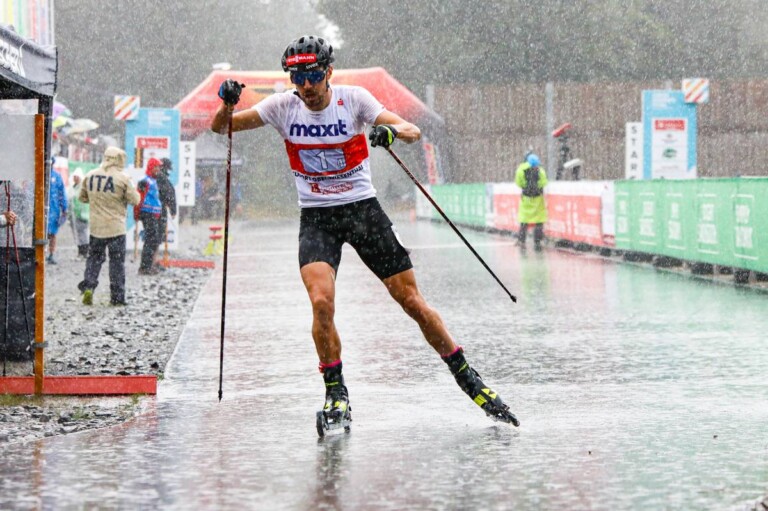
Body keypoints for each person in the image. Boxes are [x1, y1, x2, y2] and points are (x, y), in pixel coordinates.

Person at [211, 35, 519, 428]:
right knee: (321, 302)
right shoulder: (281, 107)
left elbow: (411, 130)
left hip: (362, 212)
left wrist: (390, 133)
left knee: (411, 301)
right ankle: (335, 392)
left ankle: (467, 376)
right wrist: (226, 103)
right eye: (298, 76)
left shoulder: (353, 99)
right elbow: (223, 129)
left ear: (329, 73)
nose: (306, 85)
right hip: (318, 217)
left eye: (314, 75)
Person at [77, 146, 140, 306]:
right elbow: (135, 200)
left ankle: (89, 286)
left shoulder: (90, 175)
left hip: (96, 228)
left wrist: (98, 201)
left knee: (94, 259)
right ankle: (117, 297)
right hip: (116, 228)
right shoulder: (123, 178)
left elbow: (82, 198)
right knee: (116, 263)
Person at [515, 153, 548, 250]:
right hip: (538, 198)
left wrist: (525, 186)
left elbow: (518, 182)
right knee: (539, 220)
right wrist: (537, 187)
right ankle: (537, 241)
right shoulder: (540, 170)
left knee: (524, 220)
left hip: (526, 198)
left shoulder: (521, 170)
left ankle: (521, 240)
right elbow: (543, 182)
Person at [136, 158, 163, 275]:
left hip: (153, 214)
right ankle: (145, 267)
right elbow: (139, 197)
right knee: (151, 239)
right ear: (151, 167)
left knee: (153, 239)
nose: (159, 170)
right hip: (147, 213)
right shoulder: (145, 181)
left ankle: (148, 265)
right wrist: (137, 213)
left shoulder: (153, 180)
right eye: (157, 167)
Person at [154, 158, 178, 269]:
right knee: (156, 237)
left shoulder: (154, 177)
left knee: (153, 237)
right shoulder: (162, 179)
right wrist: (173, 210)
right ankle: (153, 262)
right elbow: (170, 194)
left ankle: (152, 262)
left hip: (151, 210)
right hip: (159, 210)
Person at [46, 166, 68, 264]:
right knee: (39, 232)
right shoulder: (39, 174)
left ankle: (51, 254)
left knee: (52, 234)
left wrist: (64, 208)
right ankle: (39, 254)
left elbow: (62, 193)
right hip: (41, 208)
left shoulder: (56, 176)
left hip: (53, 209)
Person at [67, 168, 90, 258]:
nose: (75, 178)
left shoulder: (82, 188)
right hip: (74, 215)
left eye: (77, 177)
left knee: (82, 233)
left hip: (82, 214)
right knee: (77, 234)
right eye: (74, 177)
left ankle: (84, 252)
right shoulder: (74, 187)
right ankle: (81, 251)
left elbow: (81, 202)